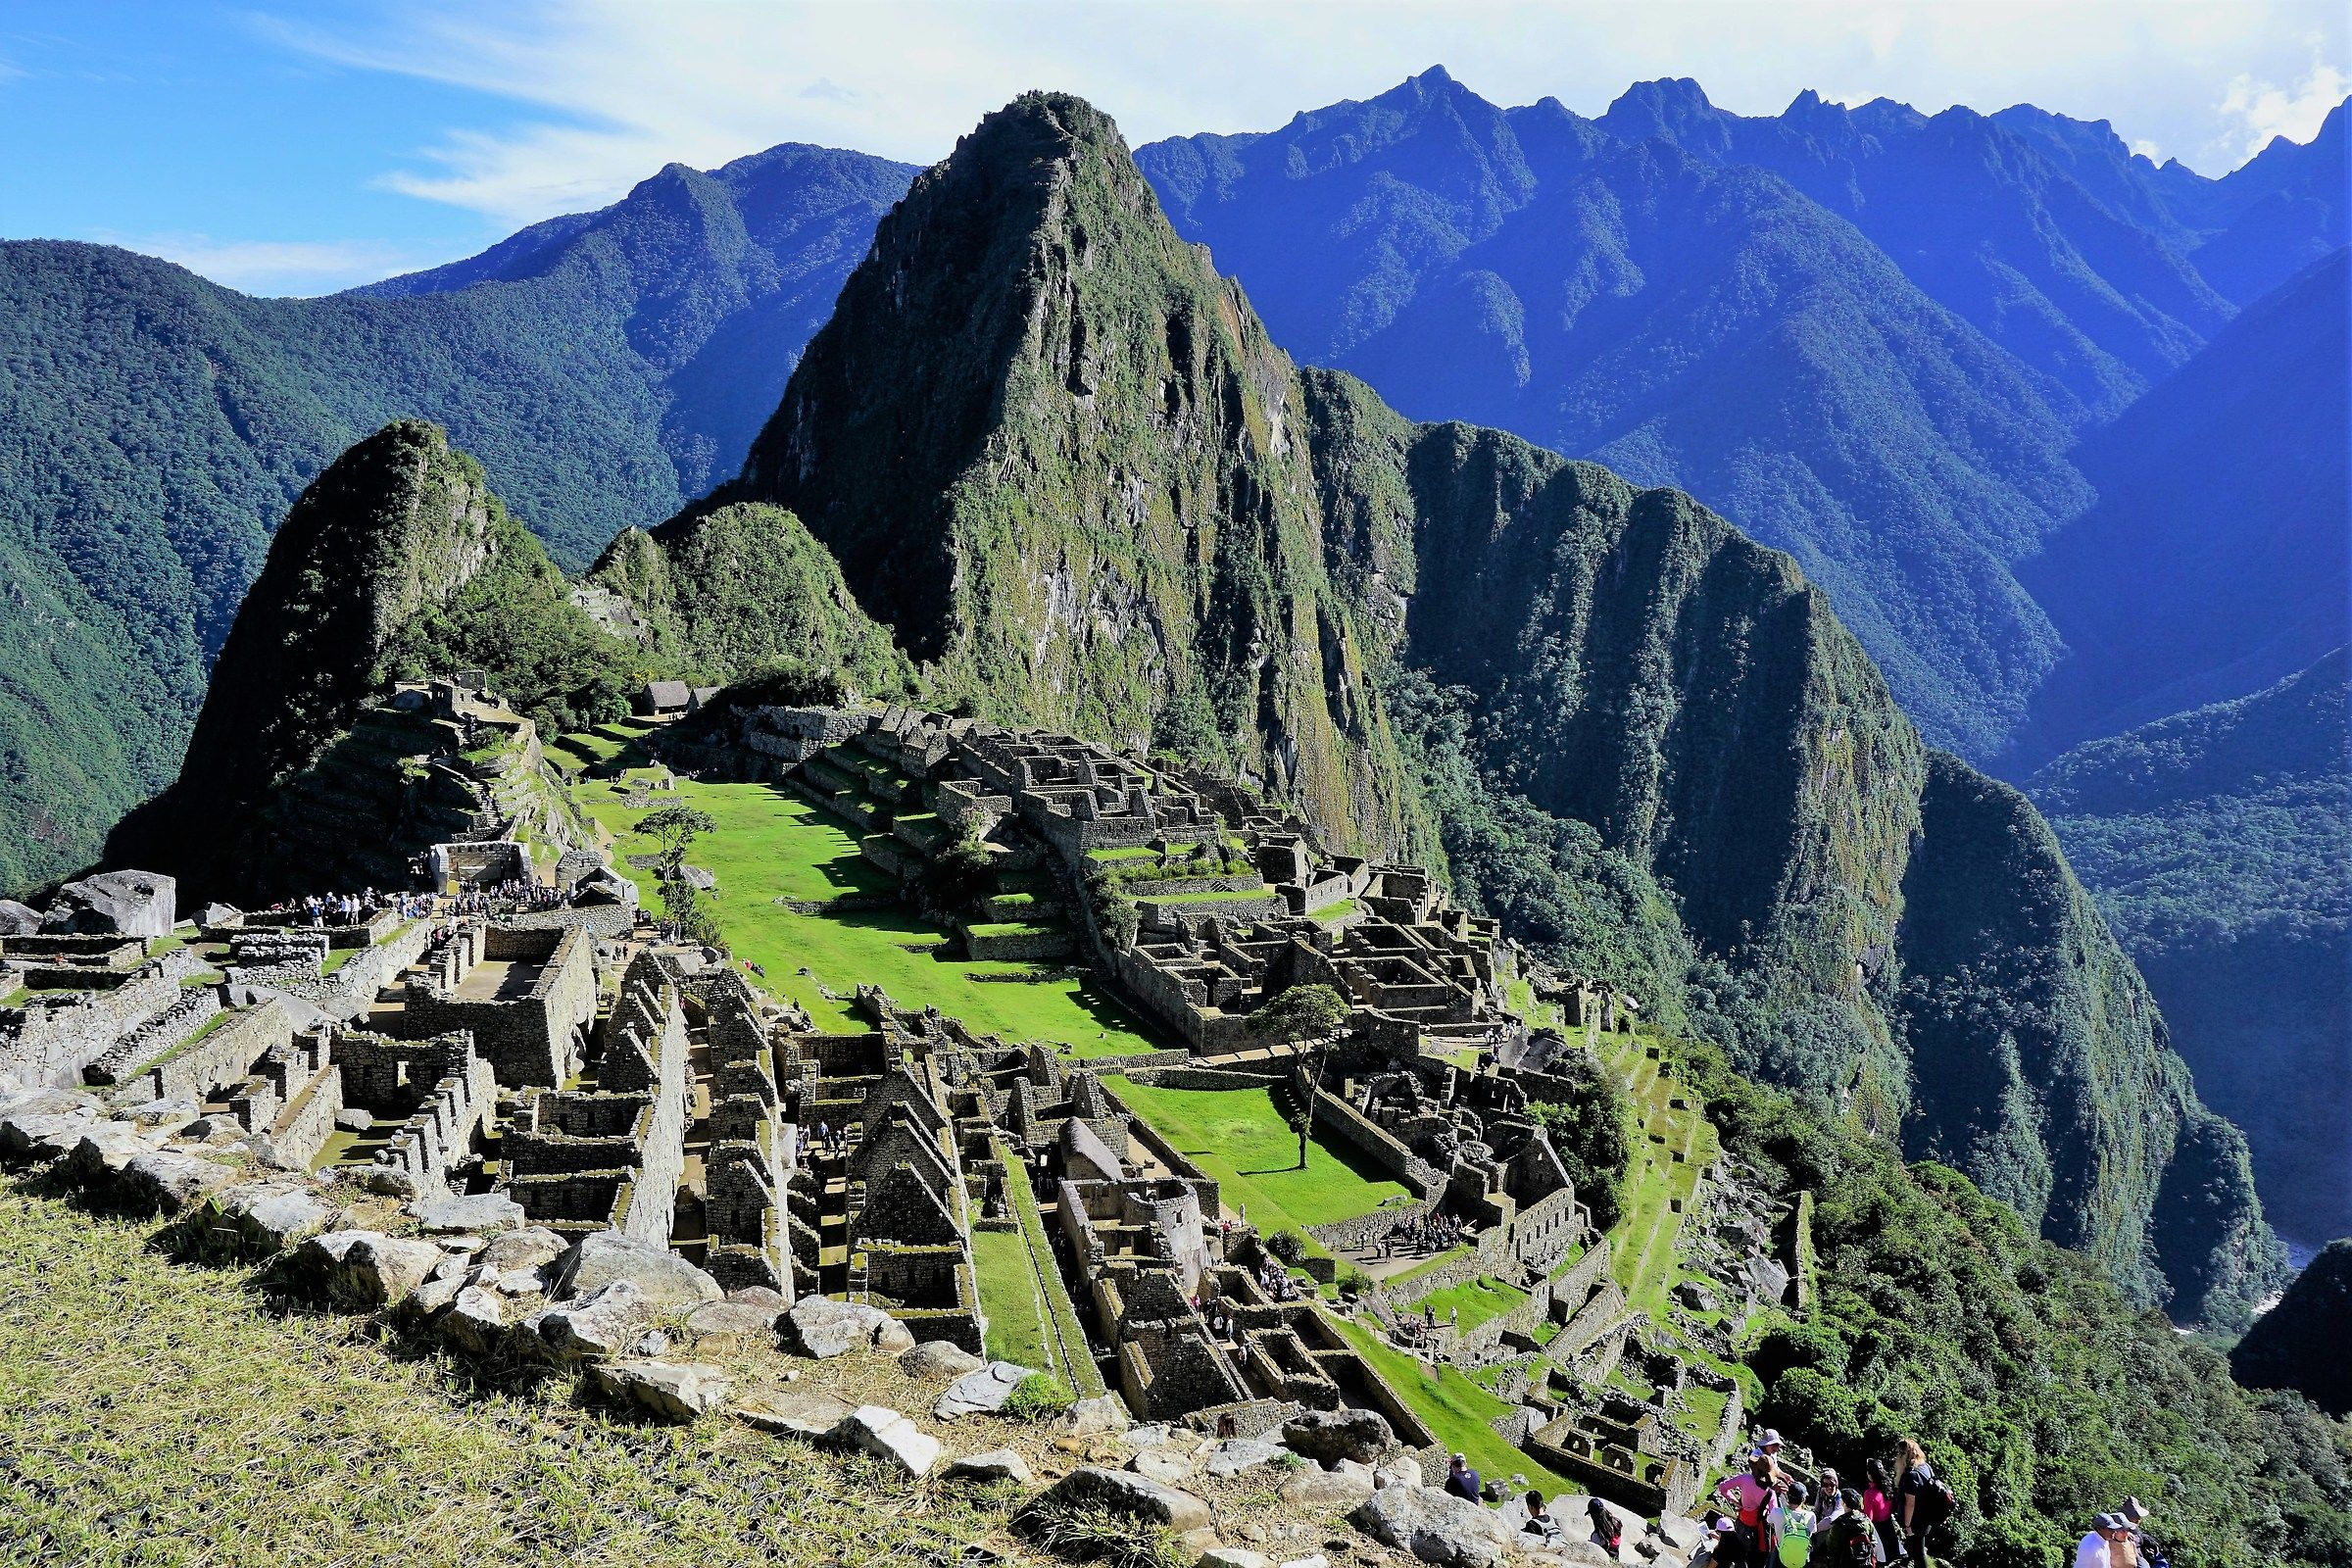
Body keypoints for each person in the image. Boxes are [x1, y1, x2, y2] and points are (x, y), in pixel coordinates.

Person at [1715, 1453, 1778, 1567]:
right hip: (1757, 1530)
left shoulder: (1745, 1479)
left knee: (1738, 1550)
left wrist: (1736, 1502)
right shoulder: (1770, 1493)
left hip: (1742, 1522)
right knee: (1752, 1558)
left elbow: (1722, 1487)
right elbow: (1775, 1517)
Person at [1894, 1440, 1938, 1568]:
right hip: (1926, 1517)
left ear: (1903, 1455)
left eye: (1899, 1453)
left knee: (1918, 1554)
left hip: (1915, 1522)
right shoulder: (1925, 1467)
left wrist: (1908, 1526)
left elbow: (1910, 1504)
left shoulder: (1910, 1475)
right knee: (1916, 1551)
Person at [1861, 1460, 1898, 1563]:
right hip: (1890, 1528)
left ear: (1870, 1475)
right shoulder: (1888, 1488)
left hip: (1877, 1532)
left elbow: (1868, 1518)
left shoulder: (1869, 1494)